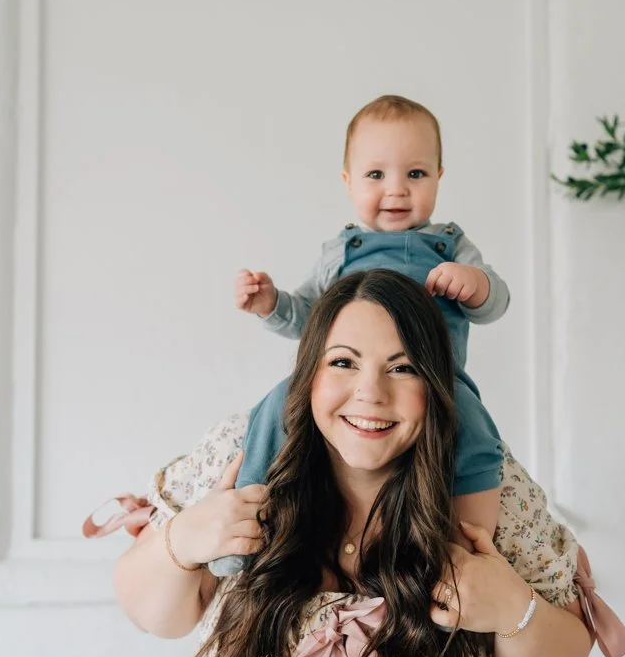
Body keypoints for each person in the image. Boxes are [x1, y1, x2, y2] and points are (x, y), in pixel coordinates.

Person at [113, 269, 610, 657]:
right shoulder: (245, 455)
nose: (369, 394)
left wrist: (512, 606)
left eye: (402, 368)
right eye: (343, 361)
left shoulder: (483, 487)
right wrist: (184, 538)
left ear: (437, 384)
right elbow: (151, 611)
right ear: (308, 372)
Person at [216, 95, 511, 577]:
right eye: (376, 175)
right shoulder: (341, 252)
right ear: (348, 181)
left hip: (430, 382)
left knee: (473, 424)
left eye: (415, 174)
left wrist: (474, 286)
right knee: (277, 403)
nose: (396, 190)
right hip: (348, 384)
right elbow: (307, 315)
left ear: (439, 176)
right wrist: (271, 304)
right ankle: (245, 517)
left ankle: (465, 542)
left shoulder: (451, 246)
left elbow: (497, 301)